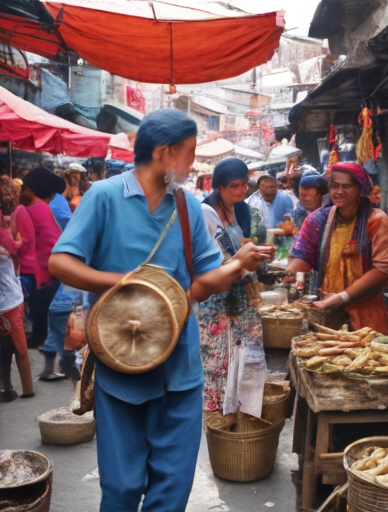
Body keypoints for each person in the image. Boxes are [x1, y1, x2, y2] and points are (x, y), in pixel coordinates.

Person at [48, 109, 274, 512]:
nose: (191, 165)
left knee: (173, 486)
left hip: (180, 368)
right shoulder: (105, 196)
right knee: (120, 486)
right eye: (188, 154)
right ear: (166, 153)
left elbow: (199, 286)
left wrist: (239, 264)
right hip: (122, 366)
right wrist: (122, 281)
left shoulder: (185, 206)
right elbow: (61, 263)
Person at [288, 162, 388, 334]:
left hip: (366, 313)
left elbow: (383, 268)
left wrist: (343, 296)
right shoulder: (317, 219)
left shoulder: (376, 220)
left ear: (360, 189)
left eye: (347, 186)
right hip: (326, 311)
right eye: (334, 186)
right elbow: (302, 258)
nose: (339, 192)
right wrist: (285, 278)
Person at [200, 158, 267, 415]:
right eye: (233, 186)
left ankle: (244, 410)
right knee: (217, 359)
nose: (240, 191)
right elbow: (206, 260)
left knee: (246, 357)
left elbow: (241, 250)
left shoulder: (241, 211)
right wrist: (239, 261)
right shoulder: (205, 213)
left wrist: (255, 255)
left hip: (243, 297)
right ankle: (218, 414)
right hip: (215, 298)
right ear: (219, 186)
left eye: (243, 185)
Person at [19, 168, 64, 355]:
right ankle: (40, 338)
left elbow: (37, 243)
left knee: (40, 308)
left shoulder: (32, 210)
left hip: (45, 270)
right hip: (50, 268)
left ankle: (40, 339)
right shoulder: (41, 208)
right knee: (41, 310)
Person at [0, 213, 34, 401]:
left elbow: (20, 248)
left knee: (18, 347)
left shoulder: (7, 235)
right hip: (11, 299)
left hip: (11, 302)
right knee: (5, 348)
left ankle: (27, 388)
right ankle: (6, 387)